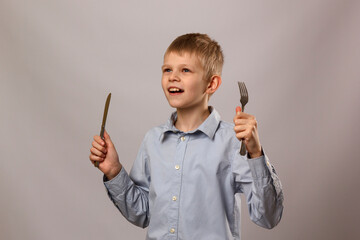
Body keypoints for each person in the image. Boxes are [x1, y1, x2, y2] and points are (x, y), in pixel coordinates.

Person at [89, 33, 283, 240]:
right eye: (167, 70)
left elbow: (268, 217)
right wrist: (114, 171)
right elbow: (142, 214)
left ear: (211, 84)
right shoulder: (153, 140)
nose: (173, 77)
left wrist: (255, 154)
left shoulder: (233, 142)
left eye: (185, 70)